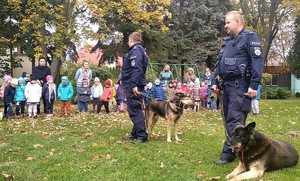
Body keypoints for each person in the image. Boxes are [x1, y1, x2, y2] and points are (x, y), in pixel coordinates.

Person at [211, 11, 264, 165]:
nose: (225, 25)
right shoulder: (227, 41)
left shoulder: (249, 37)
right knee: (228, 119)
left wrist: (254, 85)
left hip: (240, 86)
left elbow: (257, 61)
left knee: (235, 119)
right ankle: (237, 148)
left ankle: (229, 153)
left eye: (228, 22)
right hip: (227, 86)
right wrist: (215, 81)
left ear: (238, 21)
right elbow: (219, 63)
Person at [121, 31, 148, 144]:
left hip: (133, 85)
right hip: (135, 83)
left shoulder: (135, 51)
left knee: (135, 110)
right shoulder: (141, 50)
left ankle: (142, 135)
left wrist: (134, 84)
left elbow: (137, 69)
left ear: (131, 40)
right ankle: (135, 133)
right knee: (134, 108)